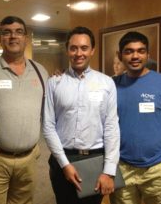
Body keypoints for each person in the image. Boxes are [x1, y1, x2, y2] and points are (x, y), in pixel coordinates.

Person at [0, 16, 48, 204]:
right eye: (7, 32)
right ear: (0, 38)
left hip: (29, 159)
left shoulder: (40, 71)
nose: (13, 37)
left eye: (18, 32)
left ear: (26, 38)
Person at [43, 26, 120, 204]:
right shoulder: (55, 82)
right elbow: (48, 126)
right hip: (63, 158)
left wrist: (109, 170)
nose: (79, 53)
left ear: (92, 50)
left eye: (84, 48)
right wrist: (64, 164)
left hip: (95, 160)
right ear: (67, 50)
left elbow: (111, 127)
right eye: (73, 48)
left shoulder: (106, 83)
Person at [110, 31, 161, 204]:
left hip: (157, 169)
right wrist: (62, 78)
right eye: (129, 51)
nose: (135, 56)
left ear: (148, 54)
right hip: (122, 168)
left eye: (141, 51)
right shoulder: (111, 85)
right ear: (120, 56)